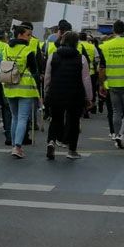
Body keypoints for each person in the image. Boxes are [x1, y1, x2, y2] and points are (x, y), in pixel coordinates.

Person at [42, 31, 92, 160]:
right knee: (74, 121)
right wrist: (89, 97)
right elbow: (86, 79)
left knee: (56, 119)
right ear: (76, 43)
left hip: (56, 92)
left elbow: (47, 76)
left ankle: (51, 141)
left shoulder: (53, 56)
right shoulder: (81, 58)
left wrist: (47, 91)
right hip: (75, 94)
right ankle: (71, 150)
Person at [97, 20, 124, 149]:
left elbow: (102, 69)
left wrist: (101, 84)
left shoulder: (105, 46)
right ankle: (122, 135)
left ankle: (116, 135)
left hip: (112, 83)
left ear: (113, 30)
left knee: (116, 111)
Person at [2, 25, 40, 159]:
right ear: (20, 35)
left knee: (15, 117)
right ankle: (17, 146)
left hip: (9, 84)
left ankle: (14, 144)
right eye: (28, 35)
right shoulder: (28, 49)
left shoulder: (6, 47)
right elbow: (35, 69)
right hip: (24, 87)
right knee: (23, 118)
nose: (30, 37)